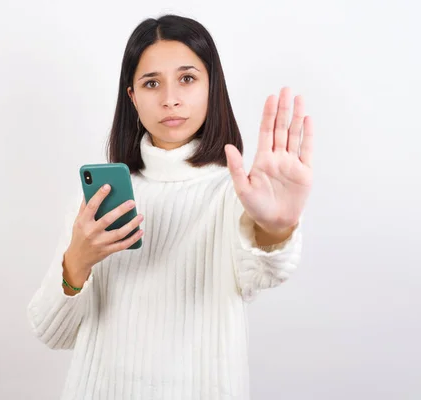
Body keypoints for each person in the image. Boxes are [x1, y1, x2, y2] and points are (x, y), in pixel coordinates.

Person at [26, 13, 313, 400]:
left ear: (213, 87)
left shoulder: (236, 194)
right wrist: (77, 261)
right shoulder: (96, 200)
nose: (170, 98)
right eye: (151, 83)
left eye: (188, 78)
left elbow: (261, 274)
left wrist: (277, 227)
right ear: (133, 97)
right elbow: (52, 332)